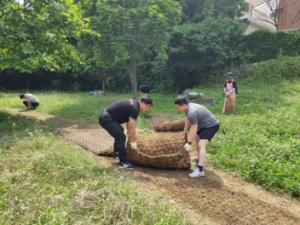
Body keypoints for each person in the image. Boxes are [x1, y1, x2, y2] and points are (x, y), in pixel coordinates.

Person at [99, 96, 154, 169]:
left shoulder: (134, 104)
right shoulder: (135, 108)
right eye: (148, 107)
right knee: (121, 137)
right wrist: (133, 142)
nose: (147, 109)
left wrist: (130, 136)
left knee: (120, 132)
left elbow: (129, 124)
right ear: (143, 103)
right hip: (107, 118)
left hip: (106, 117)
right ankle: (123, 162)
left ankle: (117, 154)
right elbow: (132, 128)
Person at [174, 96, 219, 178]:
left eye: (178, 107)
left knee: (201, 144)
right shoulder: (188, 107)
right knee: (197, 139)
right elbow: (188, 119)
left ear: (183, 105)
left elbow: (194, 128)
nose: (177, 109)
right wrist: (185, 131)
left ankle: (200, 170)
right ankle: (199, 159)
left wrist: (189, 143)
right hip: (203, 125)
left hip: (211, 126)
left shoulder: (192, 112)